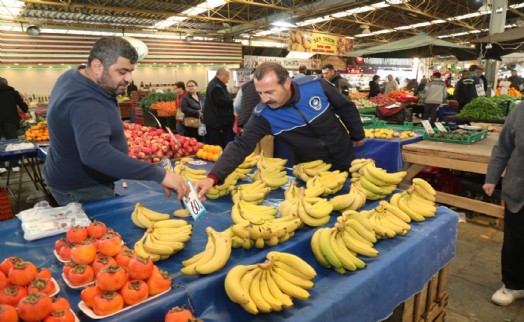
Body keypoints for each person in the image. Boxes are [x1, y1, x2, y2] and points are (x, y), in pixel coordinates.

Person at [44, 36, 189, 206]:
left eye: (130, 71)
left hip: (68, 173)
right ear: (97, 66)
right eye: (122, 72)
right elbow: (95, 154)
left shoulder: (75, 76)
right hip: (83, 188)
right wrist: (159, 174)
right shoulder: (86, 101)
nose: (129, 79)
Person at [194, 62, 365, 198]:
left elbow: (345, 107)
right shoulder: (263, 115)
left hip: (344, 154)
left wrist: (357, 134)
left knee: (352, 197)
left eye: (269, 92)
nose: (265, 99)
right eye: (260, 93)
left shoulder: (315, 86)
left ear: (287, 82)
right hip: (310, 168)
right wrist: (213, 176)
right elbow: (240, 145)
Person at [482, 101, 524, 307]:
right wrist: (492, 177)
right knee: (515, 241)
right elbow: (503, 146)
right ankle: (513, 284)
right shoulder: (521, 110)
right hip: (519, 189)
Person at [0, 77, 28, 174]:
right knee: (13, 143)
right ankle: (14, 165)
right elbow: (24, 108)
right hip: (10, 121)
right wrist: (25, 106)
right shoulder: (13, 92)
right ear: (6, 83)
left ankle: (1, 166)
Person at [202, 67, 234, 148]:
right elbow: (221, 102)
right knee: (218, 145)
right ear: (222, 75)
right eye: (227, 76)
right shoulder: (217, 86)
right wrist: (233, 101)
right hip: (217, 122)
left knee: (216, 144)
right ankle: (219, 160)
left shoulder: (214, 84)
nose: (228, 79)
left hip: (214, 121)